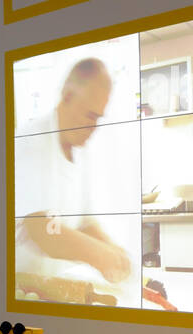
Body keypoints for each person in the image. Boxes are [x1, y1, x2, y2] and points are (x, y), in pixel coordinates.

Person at [15, 57, 134, 286]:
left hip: (58, 287)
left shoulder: (80, 150)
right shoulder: (30, 141)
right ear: (67, 96)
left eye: (98, 118)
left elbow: (85, 222)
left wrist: (117, 253)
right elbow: (45, 230)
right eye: (90, 116)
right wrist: (102, 256)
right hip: (22, 292)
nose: (94, 128)